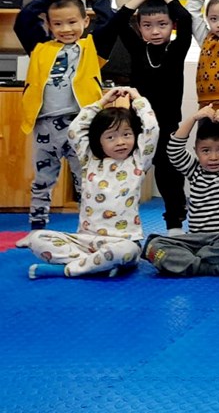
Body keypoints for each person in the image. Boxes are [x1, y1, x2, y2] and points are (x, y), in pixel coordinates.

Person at [25, 87, 159, 279]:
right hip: (85, 240)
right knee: (37, 239)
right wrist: (102, 102)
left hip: (123, 241)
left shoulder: (138, 162)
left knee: (126, 252)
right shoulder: (89, 160)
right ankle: (99, 265)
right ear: (99, 140)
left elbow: (152, 129)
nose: (120, 142)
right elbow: (75, 129)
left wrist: (138, 98)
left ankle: (69, 269)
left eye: (127, 135)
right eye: (111, 137)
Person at [15, 0, 119, 230]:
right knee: (43, 179)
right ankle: (37, 228)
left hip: (81, 123)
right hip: (45, 125)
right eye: (58, 24)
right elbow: (23, 20)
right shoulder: (40, 48)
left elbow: (112, 21)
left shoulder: (92, 48)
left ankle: (89, 228)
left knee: (86, 179)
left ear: (85, 22)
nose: (66, 29)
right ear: (49, 26)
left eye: (72, 22)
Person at [111, 0, 195, 235]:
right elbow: (119, 20)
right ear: (139, 28)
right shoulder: (138, 49)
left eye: (162, 24)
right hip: (138, 124)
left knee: (168, 173)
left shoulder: (177, 49)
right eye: (147, 26)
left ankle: (174, 222)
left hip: (168, 125)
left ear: (172, 25)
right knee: (128, 171)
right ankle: (117, 221)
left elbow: (186, 19)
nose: (155, 31)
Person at [143, 106, 219, 277]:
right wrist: (193, 118)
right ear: (196, 150)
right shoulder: (194, 170)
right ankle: (210, 267)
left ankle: (189, 263)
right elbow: (173, 149)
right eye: (206, 151)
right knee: (153, 245)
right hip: (195, 240)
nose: (213, 157)